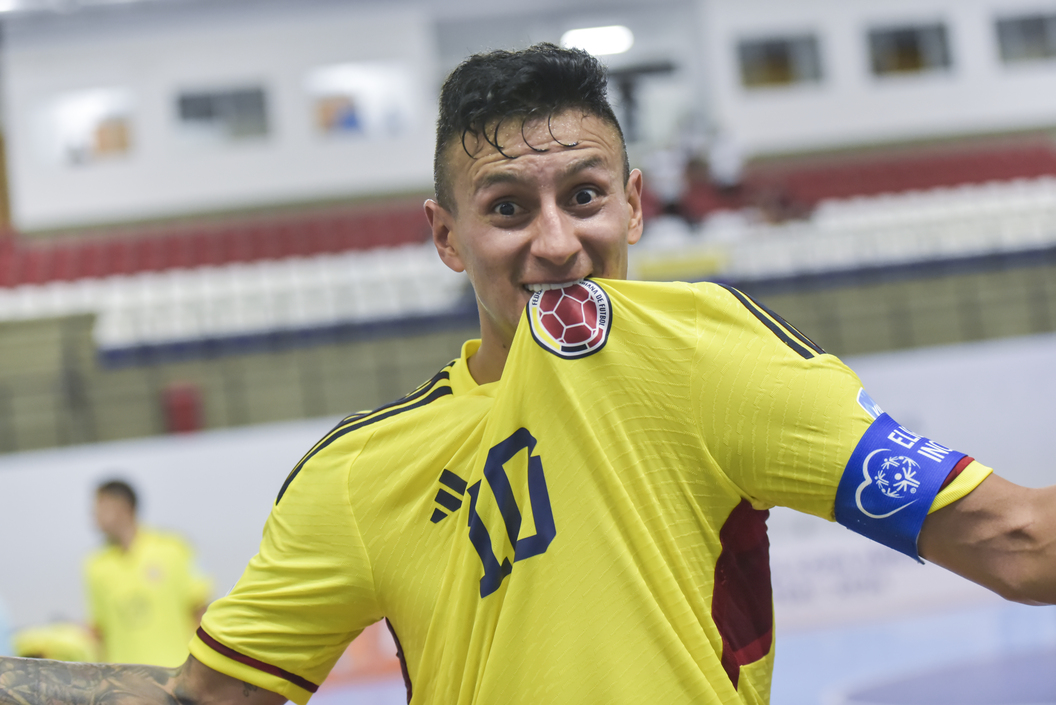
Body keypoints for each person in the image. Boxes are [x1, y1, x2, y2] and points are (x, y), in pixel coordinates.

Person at [1, 42, 1054, 705]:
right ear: (448, 237)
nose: (555, 243)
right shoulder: (358, 478)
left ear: (637, 204)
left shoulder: (702, 351)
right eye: (507, 207)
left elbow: (1017, 545)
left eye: (585, 196)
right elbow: (205, 700)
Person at [86, 480, 212, 667]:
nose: (94, 515)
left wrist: (203, 666)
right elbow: (99, 633)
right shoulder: (95, 565)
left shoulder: (172, 549)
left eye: (100, 507)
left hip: (176, 675)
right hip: (125, 683)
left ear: (123, 507)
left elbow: (199, 611)